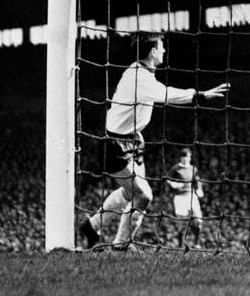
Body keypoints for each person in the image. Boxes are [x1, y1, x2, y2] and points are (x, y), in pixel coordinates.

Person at [79, 32, 229, 251]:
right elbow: (167, 95)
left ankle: (92, 227)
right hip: (115, 144)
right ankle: (119, 245)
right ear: (153, 52)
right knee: (143, 195)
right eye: (162, 47)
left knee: (131, 193)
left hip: (133, 140)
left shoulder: (142, 72)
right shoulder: (139, 77)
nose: (165, 51)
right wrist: (201, 95)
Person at [166, 148, 205, 249]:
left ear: (190, 158)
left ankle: (197, 243)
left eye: (187, 157)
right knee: (182, 223)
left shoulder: (193, 169)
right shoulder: (176, 168)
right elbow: (167, 179)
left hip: (191, 196)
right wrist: (173, 184)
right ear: (180, 157)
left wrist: (199, 189)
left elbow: (197, 180)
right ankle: (180, 245)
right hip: (180, 197)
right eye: (183, 156)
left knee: (198, 219)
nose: (185, 159)